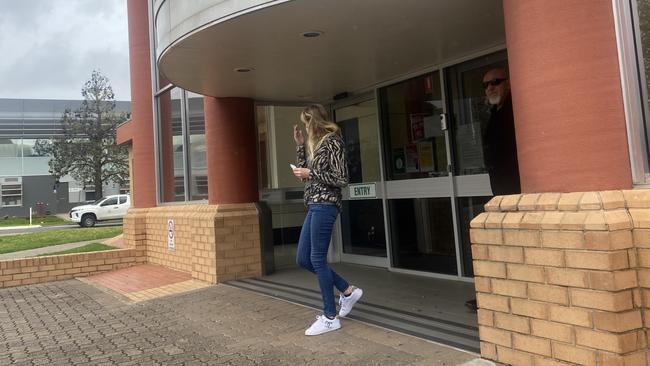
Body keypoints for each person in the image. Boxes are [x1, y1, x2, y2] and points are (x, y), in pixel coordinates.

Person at [292, 104, 363, 336]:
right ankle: (347, 290)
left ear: (314, 121)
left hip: (326, 204)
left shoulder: (333, 141)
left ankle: (330, 317)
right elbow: (308, 177)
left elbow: (342, 177)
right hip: (313, 204)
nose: (305, 126)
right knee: (303, 258)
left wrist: (310, 173)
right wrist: (300, 147)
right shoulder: (317, 144)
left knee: (317, 259)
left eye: (306, 122)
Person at [465, 67, 521, 312]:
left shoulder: (517, 109)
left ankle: (513, 297)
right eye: (486, 85)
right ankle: (495, 296)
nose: (490, 88)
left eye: (496, 82)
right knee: (502, 246)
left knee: (515, 247)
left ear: (509, 82)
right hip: (500, 192)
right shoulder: (494, 112)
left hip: (517, 192)